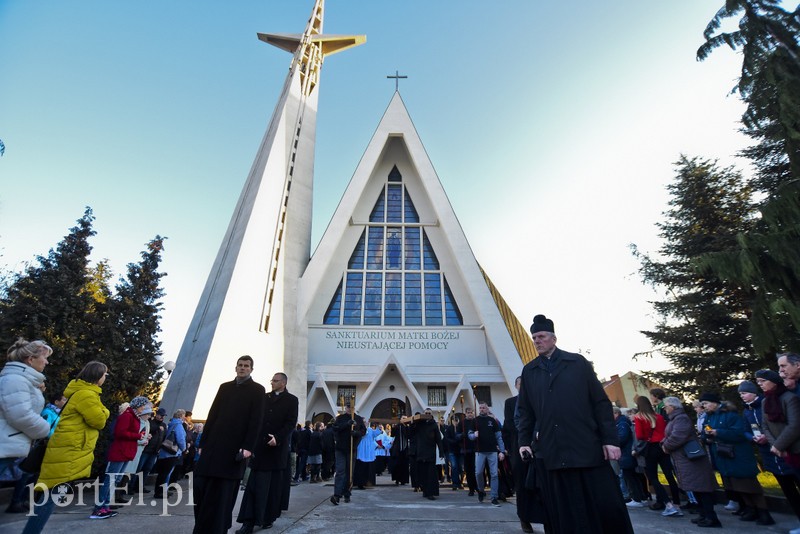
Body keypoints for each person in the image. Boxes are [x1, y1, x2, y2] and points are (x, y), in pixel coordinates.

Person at [517, 314, 633, 534]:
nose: (537, 341)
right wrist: (524, 441)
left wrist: (610, 440)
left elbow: (600, 402)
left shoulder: (577, 363)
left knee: (601, 504)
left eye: (541, 336)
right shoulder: (530, 371)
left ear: (554, 338)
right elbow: (525, 411)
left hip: (585, 446)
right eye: (534, 338)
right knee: (563, 509)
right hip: (553, 450)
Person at [22, 361, 111, 533]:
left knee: (51, 494)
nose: (106, 377)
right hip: (70, 449)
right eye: (105, 374)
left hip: (68, 447)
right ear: (97, 375)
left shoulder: (81, 392)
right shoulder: (87, 394)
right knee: (51, 495)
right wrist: (105, 411)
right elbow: (98, 421)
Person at [193, 355, 266, 534]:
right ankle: (201, 527)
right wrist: (203, 441)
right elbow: (213, 414)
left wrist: (248, 447)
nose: (242, 368)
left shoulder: (257, 390)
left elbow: (256, 421)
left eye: (246, 366)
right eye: (240, 365)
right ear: (235, 368)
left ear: (251, 369)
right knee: (202, 488)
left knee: (223, 494)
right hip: (212, 448)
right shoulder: (224, 387)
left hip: (234, 450)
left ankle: (218, 528)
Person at [234, 372, 298, 534]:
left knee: (272, 488)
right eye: (272, 380)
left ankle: (268, 518)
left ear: (283, 383)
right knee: (254, 486)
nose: (272, 383)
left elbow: (290, 423)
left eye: (275, 381)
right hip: (260, 449)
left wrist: (278, 437)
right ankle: (248, 522)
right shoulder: (264, 397)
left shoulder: (291, 400)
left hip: (276, 450)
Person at [701, 391, 775, 525]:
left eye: (705, 403)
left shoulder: (731, 415)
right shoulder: (709, 417)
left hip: (738, 455)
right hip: (723, 456)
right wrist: (707, 437)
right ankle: (750, 509)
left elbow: (739, 433)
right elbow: (704, 434)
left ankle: (764, 512)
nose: (704, 406)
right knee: (736, 485)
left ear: (714, 403)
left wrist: (718, 432)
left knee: (749, 485)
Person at [740, 378, 800, 527]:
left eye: (745, 393)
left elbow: (777, 425)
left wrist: (770, 439)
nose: (742, 396)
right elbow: (745, 430)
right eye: (740, 393)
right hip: (767, 454)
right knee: (788, 490)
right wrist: (753, 438)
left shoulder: (766, 403)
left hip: (782, 450)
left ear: (754, 393)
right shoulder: (746, 412)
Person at [660, 396, 720, 528]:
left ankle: (711, 517)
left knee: (702, 488)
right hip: (684, 458)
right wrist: (664, 442)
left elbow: (678, 436)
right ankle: (703, 514)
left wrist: (666, 446)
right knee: (696, 488)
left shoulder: (680, 418)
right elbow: (669, 436)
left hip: (691, 458)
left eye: (666, 406)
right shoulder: (675, 419)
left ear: (673, 406)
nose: (664, 408)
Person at [0, 339, 52, 479]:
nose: (46, 362)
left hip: (7, 445)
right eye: (45, 358)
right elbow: (21, 415)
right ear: (30, 359)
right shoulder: (16, 380)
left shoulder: (21, 380)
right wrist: (46, 429)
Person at [92, 395, 151, 518]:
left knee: (116, 480)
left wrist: (139, 435)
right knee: (111, 479)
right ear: (138, 406)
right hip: (120, 451)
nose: (144, 409)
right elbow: (120, 432)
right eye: (143, 406)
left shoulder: (133, 416)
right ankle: (99, 507)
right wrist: (137, 436)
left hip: (126, 452)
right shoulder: (127, 416)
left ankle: (105, 506)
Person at [632, 395, 682, 516]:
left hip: (650, 448)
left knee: (653, 477)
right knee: (669, 475)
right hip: (662, 446)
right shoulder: (658, 416)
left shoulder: (639, 417)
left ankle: (667, 504)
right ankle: (677, 503)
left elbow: (639, 436)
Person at [469, 402, 505, 506]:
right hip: (480, 451)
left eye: (484, 408)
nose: (482, 409)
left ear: (487, 409)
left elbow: (499, 437)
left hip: (492, 451)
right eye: (480, 408)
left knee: (494, 474)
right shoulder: (475, 421)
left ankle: (494, 497)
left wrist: (502, 451)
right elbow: (469, 435)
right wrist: (474, 435)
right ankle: (481, 490)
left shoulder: (492, 421)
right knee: (478, 473)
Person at [329, 402, 366, 505]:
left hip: (351, 449)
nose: (349, 409)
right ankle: (337, 495)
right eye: (348, 407)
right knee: (340, 471)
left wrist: (356, 433)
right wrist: (347, 424)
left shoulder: (358, 419)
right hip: (341, 448)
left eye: (351, 407)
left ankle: (347, 493)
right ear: (346, 408)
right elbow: (335, 428)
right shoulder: (340, 418)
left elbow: (363, 431)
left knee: (349, 472)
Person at [153, 409, 187, 498]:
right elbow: (180, 439)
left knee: (162, 473)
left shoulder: (170, 424)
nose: (185, 417)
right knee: (166, 473)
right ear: (180, 416)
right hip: (172, 452)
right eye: (184, 416)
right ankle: (161, 492)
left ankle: (160, 491)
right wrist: (184, 448)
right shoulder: (179, 425)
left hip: (164, 451)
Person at [414, 408, 443, 500]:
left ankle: (431, 493)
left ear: (431, 415)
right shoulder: (419, 424)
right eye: (426, 413)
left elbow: (438, 438)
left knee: (431, 474)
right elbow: (411, 433)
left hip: (430, 453)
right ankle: (425, 492)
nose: (427, 414)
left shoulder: (434, 424)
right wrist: (412, 422)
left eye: (429, 413)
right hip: (421, 452)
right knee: (423, 473)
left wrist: (441, 451)